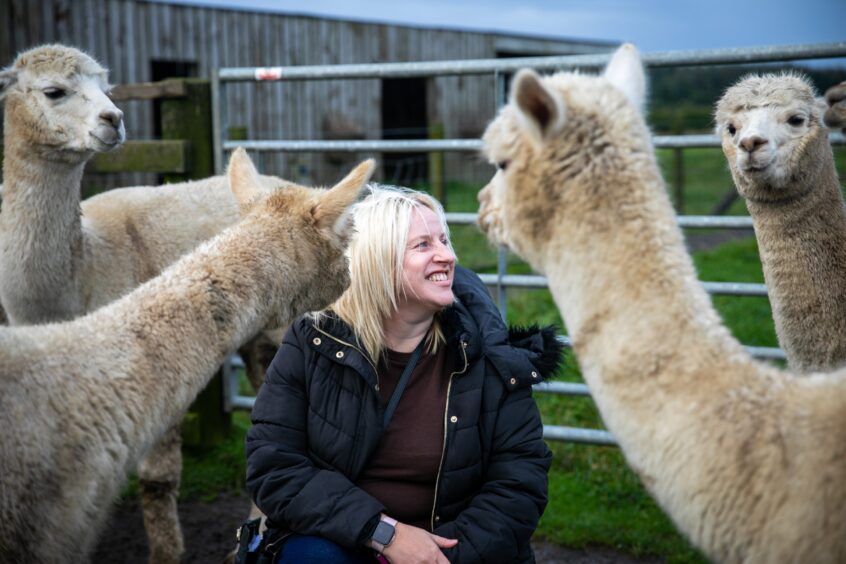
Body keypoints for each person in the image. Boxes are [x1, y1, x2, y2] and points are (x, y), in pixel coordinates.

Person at [245, 186, 562, 563]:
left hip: (458, 552)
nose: (448, 256)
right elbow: (275, 467)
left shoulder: (486, 353)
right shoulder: (314, 341)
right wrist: (385, 534)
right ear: (379, 262)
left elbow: (519, 482)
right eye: (423, 246)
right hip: (346, 541)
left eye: (444, 241)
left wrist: (437, 558)